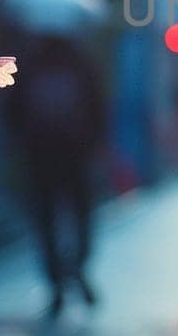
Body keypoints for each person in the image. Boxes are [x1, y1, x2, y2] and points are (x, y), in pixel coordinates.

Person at [8, 43, 107, 316]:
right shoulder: (82, 64)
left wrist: (23, 141)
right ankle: (75, 270)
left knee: (47, 221)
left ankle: (58, 283)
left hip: (41, 156)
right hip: (73, 155)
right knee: (80, 217)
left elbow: (13, 113)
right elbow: (99, 108)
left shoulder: (30, 66)